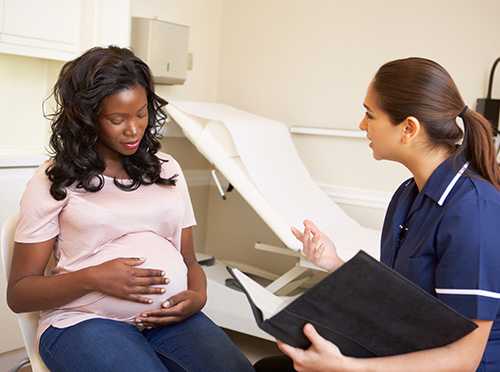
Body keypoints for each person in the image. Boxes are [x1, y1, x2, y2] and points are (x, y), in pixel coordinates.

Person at [7, 46, 254, 372]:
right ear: (87, 117)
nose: (134, 129)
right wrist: (94, 278)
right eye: (117, 119)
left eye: (141, 113)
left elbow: (189, 259)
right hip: (82, 321)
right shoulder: (56, 179)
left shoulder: (168, 169)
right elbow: (20, 293)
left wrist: (198, 294)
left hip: (168, 319)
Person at [254, 57, 500, 371]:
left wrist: (346, 368)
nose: (361, 124)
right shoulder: (407, 195)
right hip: (405, 350)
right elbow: (397, 301)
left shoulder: (474, 210)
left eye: (370, 114)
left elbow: (464, 359)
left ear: (408, 128)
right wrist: (334, 264)